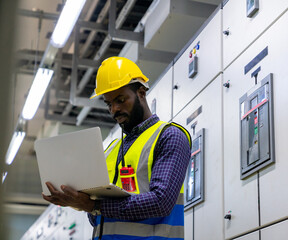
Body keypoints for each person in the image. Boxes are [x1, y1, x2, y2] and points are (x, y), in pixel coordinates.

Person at [42, 57, 192, 240]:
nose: (114, 109)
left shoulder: (169, 136)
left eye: (121, 100)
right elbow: (99, 218)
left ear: (141, 92)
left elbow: (161, 202)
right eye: (109, 103)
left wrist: (93, 206)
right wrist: (78, 201)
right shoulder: (112, 149)